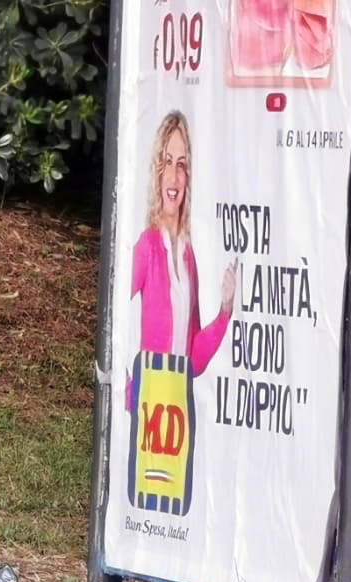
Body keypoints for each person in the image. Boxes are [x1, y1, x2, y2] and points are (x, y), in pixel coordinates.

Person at [124, 111, 235, 517]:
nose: (174, 175)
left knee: (172, 508)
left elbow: (195, 359)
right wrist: (127, 386)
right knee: (143, 506)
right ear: (156, 171)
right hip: (147, 405)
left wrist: (225, 312)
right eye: (167, 162)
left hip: (177, 408)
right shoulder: (145, 247)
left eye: (182, 164)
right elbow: (118, 319)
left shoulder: (187, 255)